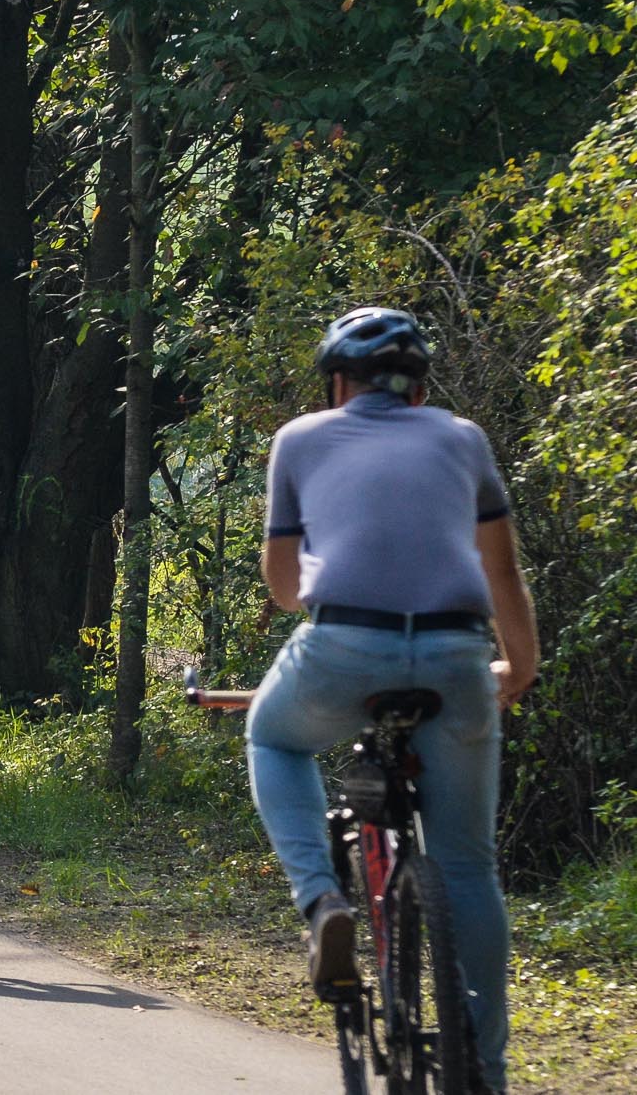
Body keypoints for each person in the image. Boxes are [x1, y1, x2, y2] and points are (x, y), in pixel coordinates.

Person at [251, 306, 537, 1091]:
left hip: (344, 645)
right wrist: (521, 662)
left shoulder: (301, 439)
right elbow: (503, 575)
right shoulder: (463, 438)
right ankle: (485, 1069)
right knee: (470, 868)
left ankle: (321, 904)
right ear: (417, 389)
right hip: (458, 653)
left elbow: (282, 589)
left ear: (339, 382)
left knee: (272, 738)